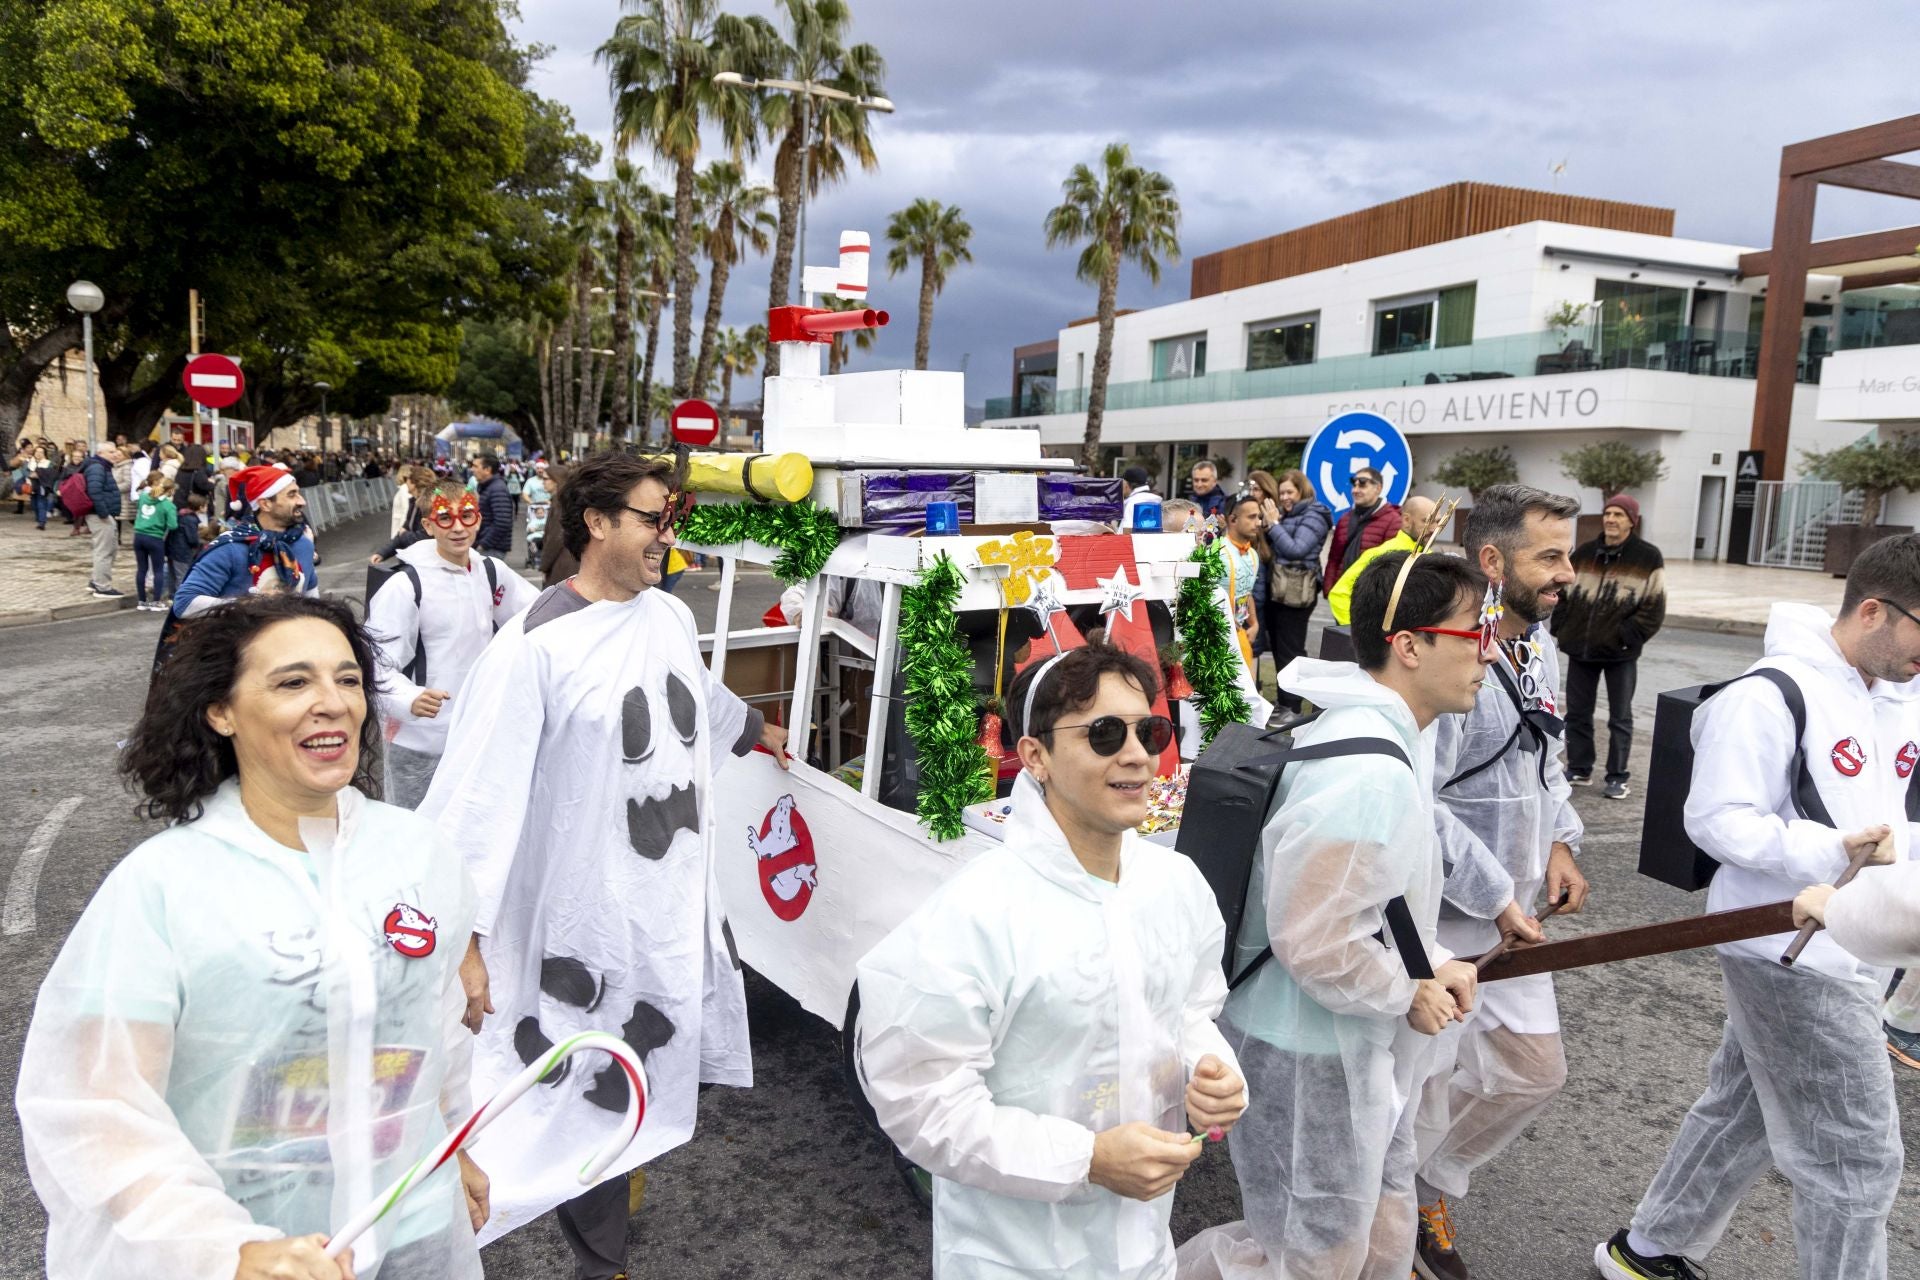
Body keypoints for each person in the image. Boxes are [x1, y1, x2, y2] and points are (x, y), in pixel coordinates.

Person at [15, 594, 488, 1280]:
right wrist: (223, 1249)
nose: (332, 702)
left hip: (414, 1228)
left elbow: (433, 1030)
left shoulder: (418, 854)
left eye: (348, 678)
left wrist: (454, 1142)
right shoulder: (162, 886)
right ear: (222, 710)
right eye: (294, 682)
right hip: (249, 1250)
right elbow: (95, 1108)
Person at [419, 451, 788, 1280]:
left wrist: (751, 730)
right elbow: (473, 798)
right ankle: (601, 1260)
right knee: (583, 1075)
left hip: (666, 894)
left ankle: (617, 1177)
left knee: (650, 1056)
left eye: (671, 517)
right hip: (580, 910)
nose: (668, 534)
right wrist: (465, 938)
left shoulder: (663, 616)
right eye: (654, 517)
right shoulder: (531, 651)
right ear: (596, 523)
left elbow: (694, 688)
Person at [858, 641, 1248, 1279]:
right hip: (1013, 1257)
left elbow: (1190, 1010)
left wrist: (1212, 1072)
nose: (1137, 756)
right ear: (1035, 755)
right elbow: (920, 1098)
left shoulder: (1175, 886)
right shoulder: (977, 913)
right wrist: (1086, 1158)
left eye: (1149, 730)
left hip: (1143, 1249)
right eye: (1103, 734)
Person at [1593, 534, 1920, 1280]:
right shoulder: (1768, 695)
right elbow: (1716, 819)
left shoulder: (1899, 692)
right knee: (1857, 1160)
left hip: (1857, 941)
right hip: (1789, 948)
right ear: (1873, 611)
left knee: (1741, 1112)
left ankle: (1644, 1252)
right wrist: (1835, 850)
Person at [1177, 549, 1490, 1280]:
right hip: (1308, 1045)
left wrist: (1433, 961)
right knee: (1309, 1256)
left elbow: (1377, 896)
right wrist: (1404, 991)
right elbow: (1313, 936)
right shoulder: (1369, 772)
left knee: (1369, 1230)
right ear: (1411, 646)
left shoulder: (1383, 741)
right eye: (1476, 631)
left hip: (1345, 1039)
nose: (1488, 652)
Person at [1411, 484, 1587, 1280]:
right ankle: (1393, 1213)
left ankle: (1424, 1181)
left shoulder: (1540, 647)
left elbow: (1548, 758)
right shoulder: (1449, 660)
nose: (1568, 574)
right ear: (1492, 561)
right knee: (1424, 1079)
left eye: (1568, 555)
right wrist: (1494, 894)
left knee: (1531, 1071)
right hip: (1438, 918)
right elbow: (1419, 804)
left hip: (1516, 904)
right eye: (1549, 557)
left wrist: (1561, 843)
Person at [366, 481, 538, 808]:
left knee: (474, 838)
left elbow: (537, 615)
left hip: (480, 735)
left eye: (468, 515)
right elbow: (375, 664)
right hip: (421, 740)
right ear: (429, 525)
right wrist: (409, 698)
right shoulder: (405, 586)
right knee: (416, 835)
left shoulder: (491, 573)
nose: (458, 527)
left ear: (479, 518)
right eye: (446, 518)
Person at [1551, 493, 1667, 799]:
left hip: (1620, 654)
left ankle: (1617, 776)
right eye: (1608, 513)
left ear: (1632, 521)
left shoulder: (1648, 557)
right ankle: (1579, 767)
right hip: (1581, 649)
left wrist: (1627, 636)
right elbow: (1562, 592)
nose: (1611, 519)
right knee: (1577, 713)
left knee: (1620, 717)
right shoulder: (1585, 553)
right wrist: (1562, 628)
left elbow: (1654, 608)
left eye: (1618, 514)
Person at [171, 466, 316, 620]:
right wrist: (247, 605)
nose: (302, 501)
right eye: (292, 495)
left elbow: (311, 597)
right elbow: (184, 604)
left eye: (298, 493)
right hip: (239, 642)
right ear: (265, 504)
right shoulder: (230, 548)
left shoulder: (303, 542)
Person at [1259, 468, 1332, 681]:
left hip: (1297, 591)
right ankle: (1285, 703)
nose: (1285, 498)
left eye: (1290, 492)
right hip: (1280, 588)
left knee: (1291, 650)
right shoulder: (1288, 515)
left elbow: (1296, 549)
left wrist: (1273, 525)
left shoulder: (1315, 514)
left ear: (1302, 490)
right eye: (1281, 494)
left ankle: (1292, 707)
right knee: (1280, 650)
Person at [1328, 496, 1446, 627]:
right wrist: (1356, 635)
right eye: (1427, 521)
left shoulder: (1431, 557)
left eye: (1438, 522)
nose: (1434, 528)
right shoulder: (1381, 554)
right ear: (1406, 520)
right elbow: (1339, 594)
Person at [1322, 467, 1403, 595]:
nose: (1355, 490)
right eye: (1354, 484)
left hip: (1369, 598)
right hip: (1341, 595)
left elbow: (1390, 566)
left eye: (1363, 484)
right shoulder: (1345, 519)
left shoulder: (1393, 520)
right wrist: (1329, 590)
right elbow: (1334, 559)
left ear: (1378, 488)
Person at [1221, 493, 1266, 676]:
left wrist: (1254, 624)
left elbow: (1247, 594)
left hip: (1240, 634)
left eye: (1259, 517)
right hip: (1216, 636)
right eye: (1252, 517)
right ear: (1232, 519)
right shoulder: (1217, 552)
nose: (1258, 523)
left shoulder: (1253, 555)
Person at [131, 473, 180, 611]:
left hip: (139, 535)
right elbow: (172, 525)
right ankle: (156, 602)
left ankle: (142, 601)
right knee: (158, 570)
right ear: (170, 491)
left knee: (142, 569)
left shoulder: (143, 497)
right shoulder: (167, 505)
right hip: (155, 538)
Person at [82, 442, 124, 598]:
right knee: (104, 551)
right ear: (100, 452)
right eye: (111, 452)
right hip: (99, 515)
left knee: (110, 550)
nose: (115, 454)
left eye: (115, 451)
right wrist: (104, 513)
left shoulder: (101, 467)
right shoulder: (97, 468)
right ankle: (102, 587)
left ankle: (96, 581)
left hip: (102, 514)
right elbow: (94, 491)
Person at [471, 453, 513, 558]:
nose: (472, 469)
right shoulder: (488, 487)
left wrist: (483, 544)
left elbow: (502, 522)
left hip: (492, 549)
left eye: (476, 466)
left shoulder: (497, 489)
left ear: (487, 469)